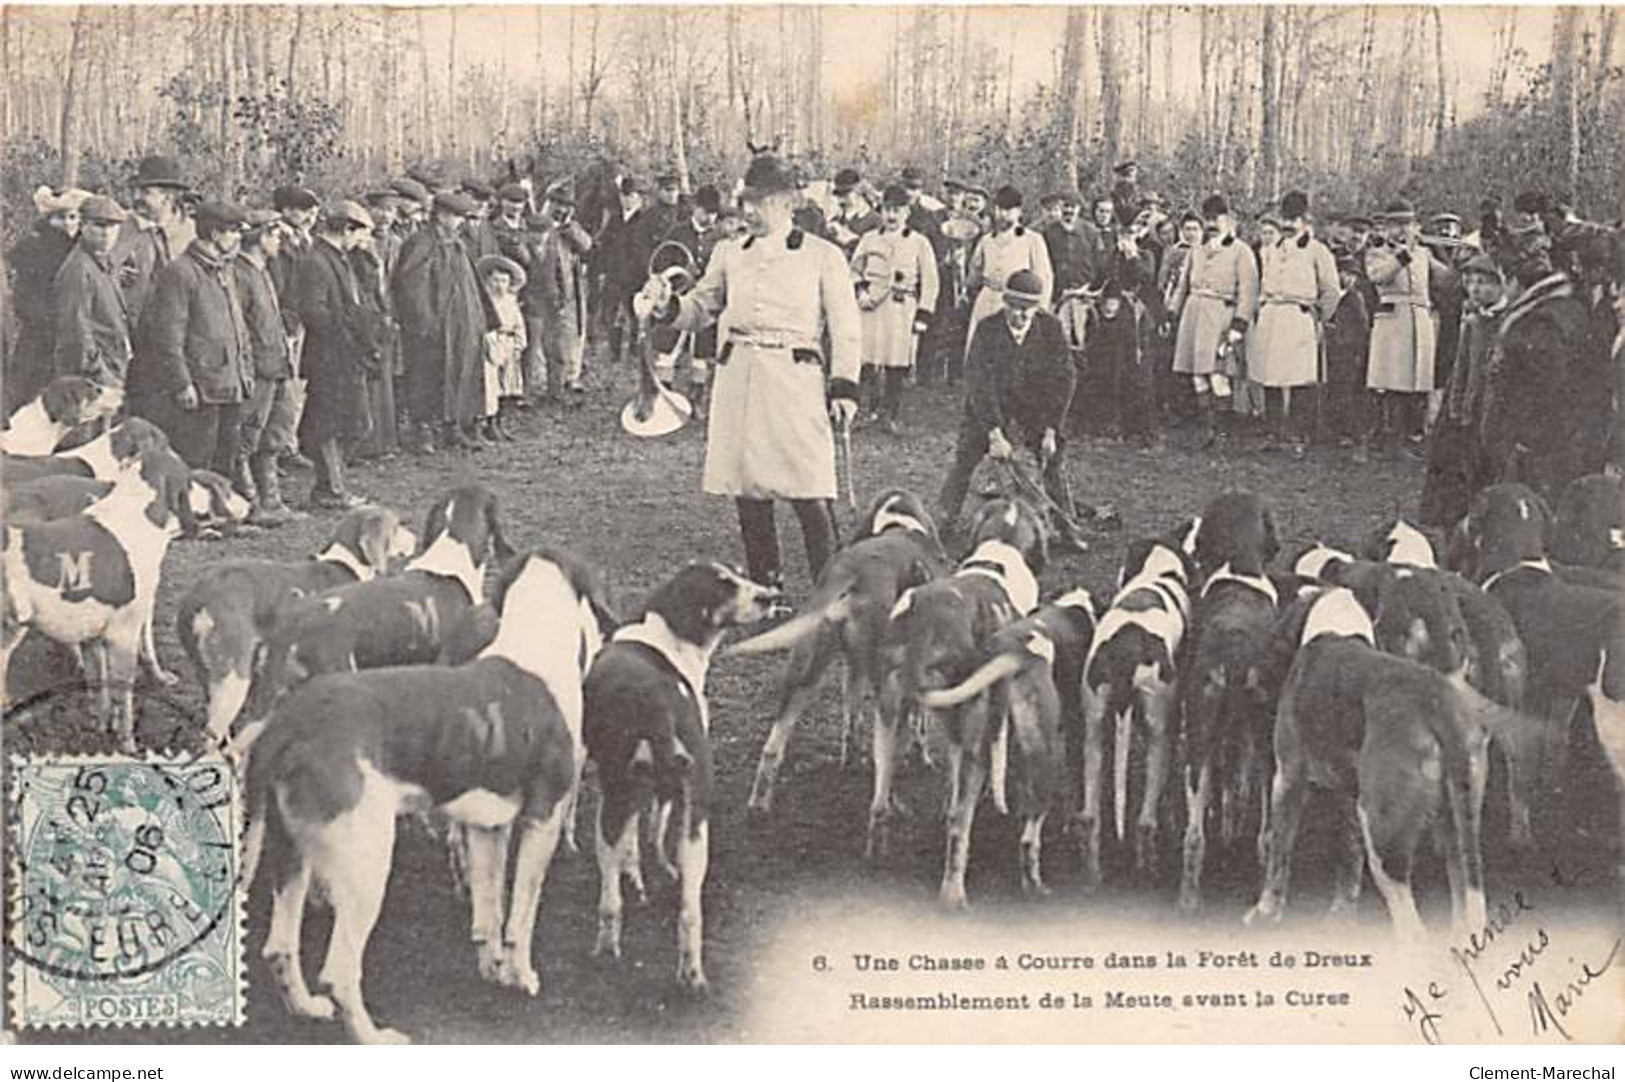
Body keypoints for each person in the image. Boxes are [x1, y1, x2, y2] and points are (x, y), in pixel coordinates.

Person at [637, 153, 861, 594]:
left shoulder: (823, 256)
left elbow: (846, 328)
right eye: (746, 201)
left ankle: (830, 592)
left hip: (795, 382)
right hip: (740, 379)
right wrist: (666, 305)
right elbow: (701, 307)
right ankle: (766, 588)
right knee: (749, 488)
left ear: (786, 202)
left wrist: (845, 386)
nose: (749, 211)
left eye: (760, 202)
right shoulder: (729, 252)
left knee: (808, 487)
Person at [936, 269, 1084, 547]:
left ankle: (1067, 527)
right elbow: (979, 383)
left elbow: (1064, 380)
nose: (1021, 315)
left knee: (1053, 460)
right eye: (1015, 307)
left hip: (1034, 409)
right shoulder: (987, 330)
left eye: (1028, 309)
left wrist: (1052, 428)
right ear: (1005, 303)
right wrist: (994, 433)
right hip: (990, 406)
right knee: (964, 459)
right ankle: (944, 521)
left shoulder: (1050, 329)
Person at [1477, 208, 1615, 499]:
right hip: (1565, 439)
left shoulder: (1546, 317)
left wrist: (1522, 439)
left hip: (1542, 445)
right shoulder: (1571, 306)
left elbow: (1543, 388)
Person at [127, 201, 253, 474]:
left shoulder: (225, 270)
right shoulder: (181, 272)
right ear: (215, 234)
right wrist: (182, 383)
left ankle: (217, 511)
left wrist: (243, 373)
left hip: (228, 384)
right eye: (233, 231)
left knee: (225, 457)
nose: (238, 238)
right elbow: (168, 335)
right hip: (202, 387)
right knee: (196, 459)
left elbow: (236, 329)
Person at [296, 201, 384, 508]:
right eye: (360, 235)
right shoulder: (317, 261)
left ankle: (330, 484)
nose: (363, 242)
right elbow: (313, 311)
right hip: (329, 357)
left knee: (357, 423)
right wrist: (348, 327)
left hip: (346, 354)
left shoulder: (341, 258)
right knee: (331, 423)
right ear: (347, 228)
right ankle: (330, 489)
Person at [393, 190, 491, 454]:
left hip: (461, 323)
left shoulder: (457, 243)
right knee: (426, 375)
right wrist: (424, 322)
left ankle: (453, 426)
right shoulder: (421, 243)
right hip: (433, 325)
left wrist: (481, 318)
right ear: (442, 215)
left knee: (460, 373)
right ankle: (422, 430)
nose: (461, 222)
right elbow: (409, 287)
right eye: (457, 216)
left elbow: (470, 283)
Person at [1246, 190, 1340, 456]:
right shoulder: (1271, 249)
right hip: (1271, 315)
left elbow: (1331, 290)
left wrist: (1319, 317)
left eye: (1294, 219)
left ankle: (1299, 435)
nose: (1288, 225)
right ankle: (1274, 433)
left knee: (1300, 378)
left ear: (1306, 220)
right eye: (1285, 219)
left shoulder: (1317, 250)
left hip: (1299, 317)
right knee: (1269, 375)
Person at [231, 209, 306, 525]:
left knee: (275, 434)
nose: (280, 241)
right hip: (257, 370)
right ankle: (249, 503)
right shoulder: (240, 274)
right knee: (247, 436)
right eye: (275, 235)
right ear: (260, 238)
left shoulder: (263, 271)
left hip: (276, 366)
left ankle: (271, 499)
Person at [1420, 253, 1505, 526]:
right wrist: (1455, 407)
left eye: (1484, 283)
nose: (1476, 289)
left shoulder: (1506, 323)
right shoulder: (1473, 322)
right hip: (1467, 411)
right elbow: (1461, 369)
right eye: (1470, 282)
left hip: (1491, 412)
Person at [1170, 194, 1259, 446]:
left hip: (1221, 314)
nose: (1211, 224)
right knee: (1197, 374)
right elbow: (1182, 285)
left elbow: (1249, 290)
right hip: (1193, 314)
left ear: (1228, 220)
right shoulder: (1197, 249)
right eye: (1207, 218)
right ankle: (1207, 428)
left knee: (1218, 375)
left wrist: (1239, 323)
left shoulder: (1240, 251)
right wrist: (1172, 313)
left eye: (1216, 218)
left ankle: (1222, 431)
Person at [851, 185, 940, 434]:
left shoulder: (919, 242)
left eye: (898, 211)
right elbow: (854, 269)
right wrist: (861, 291)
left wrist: (923, 316)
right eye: (888, 210)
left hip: (902, 307)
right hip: (871, 305)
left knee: (895, 360)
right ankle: (866, 410)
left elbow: (930, 281)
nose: (892, 216)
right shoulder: (869, 239)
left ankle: (890, 414)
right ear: (881, 210)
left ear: (907, 213)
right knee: (867, 359)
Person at [1364, 198, 1445, 457]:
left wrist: (1458, 256)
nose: (1402, 230)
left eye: (1407, 224)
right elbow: (1378, 276)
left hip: (1420, 319)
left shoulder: (1423, 253)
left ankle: (1412, 437)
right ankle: (1390, 439)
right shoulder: (1378, 250)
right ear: (1386, 228)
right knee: (1393, 381)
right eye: (1396, 225)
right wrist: (1402, 255)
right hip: (1394, 320)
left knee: (1417, 381)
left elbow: (1446, 279)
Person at [7, 186, 86, 408]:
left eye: (74, 217)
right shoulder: (35, 249)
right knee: (28, 391)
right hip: (40, 335)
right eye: (62, 217)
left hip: (71, 336)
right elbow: (24, 299)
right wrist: (48, 322)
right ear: (50, 219)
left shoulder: (82, 250)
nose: (69, 223)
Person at [523, 178, 593, 404]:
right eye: (557, 203)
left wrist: (568, 228)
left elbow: (587, 245)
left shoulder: (571, 227)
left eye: (566, 205)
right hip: (538, 293)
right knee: (536, 344)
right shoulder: (535, 224)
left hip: (566, 290)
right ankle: (537, 385)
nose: (561, 209)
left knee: (563, 339)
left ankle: (564, 381)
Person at [51, 194, 130, 393]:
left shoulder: (105, 262)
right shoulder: (78, 269)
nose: (107, 234)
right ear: (83, 226)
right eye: (99, 226)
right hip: (89, 380)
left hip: (112, 367)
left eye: (113, 227)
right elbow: (77, 333)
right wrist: (103, 377)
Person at [966, 185, 1053, 350]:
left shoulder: (1032, 239)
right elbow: (973, 277)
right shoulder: (986, 240)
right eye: (999, 209)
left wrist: (1038, 310)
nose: (1003, 214)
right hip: (988, 302)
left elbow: (1044, 277)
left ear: (1019, 211)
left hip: (1018, 306)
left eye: (1008, 209)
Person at [113, 155, 189, 335]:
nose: (136, 197)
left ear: (168, 197)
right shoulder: (120, 227)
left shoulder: (191, 233)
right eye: (135, 191)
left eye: (146, 192)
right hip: (132, 335)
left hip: (178, 336)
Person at [1085, 279, 1151, 446]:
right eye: (1107, 303)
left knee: (1127, 389)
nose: (1110, 307)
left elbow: (1137, 339)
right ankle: (1107, 427)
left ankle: (1129, 429)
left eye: (1113, 303)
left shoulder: (1132, 313)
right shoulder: (1094, 313)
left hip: (1124, 359)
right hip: (1103, 359)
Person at [1323, 253, 1372, 457]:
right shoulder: (1332, 297)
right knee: (1335, 389)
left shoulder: (1355, 298)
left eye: (1352, 275)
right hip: (1334, 348)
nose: (1348, 278)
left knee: (1350, 391)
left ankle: (1353, 433)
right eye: (1344, 273)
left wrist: (1360, 350)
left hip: (1350, 350)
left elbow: (1362, 326)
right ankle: (1337, 429)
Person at [478, 254, 527, 443]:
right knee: (492, 387)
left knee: (507, 385)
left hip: (508, 343)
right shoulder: (485, 302)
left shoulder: (510, 301)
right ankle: (489, 424)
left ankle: (500, 422)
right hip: (492, 343)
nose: (499, 285)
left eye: (504, 281)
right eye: (496, 280)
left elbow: (518, 323)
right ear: (488, 281)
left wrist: (519, 343)